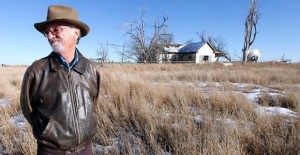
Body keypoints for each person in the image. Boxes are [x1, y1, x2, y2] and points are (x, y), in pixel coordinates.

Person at [20, 5, 100, 155]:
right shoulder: (36, 71)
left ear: (76, 32)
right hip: (51, 151)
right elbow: (28, 110)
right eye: (47, 32)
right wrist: (47, 131)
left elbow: (93, 103)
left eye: (56, 30)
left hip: (85, 149)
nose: (50, 36)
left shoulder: (91, 69)